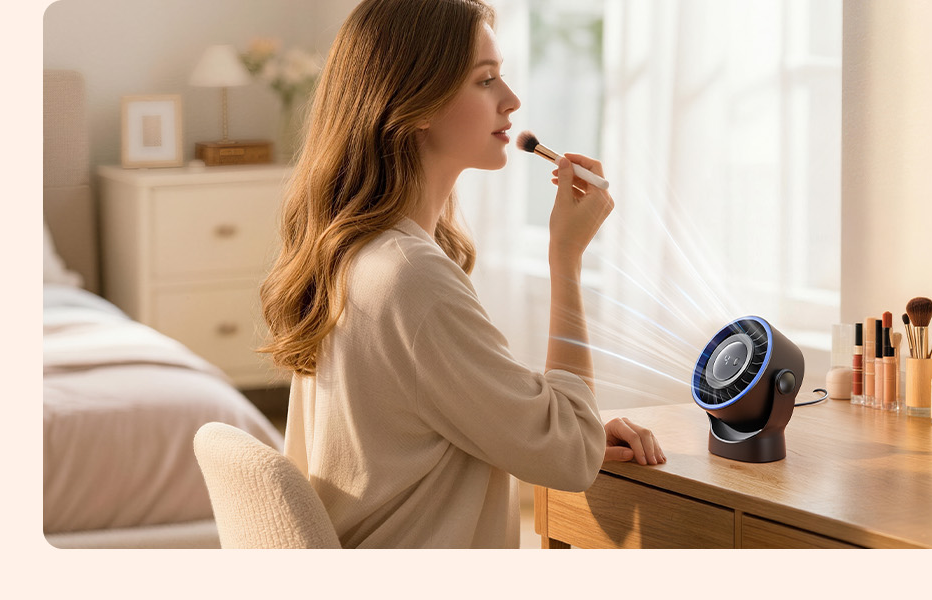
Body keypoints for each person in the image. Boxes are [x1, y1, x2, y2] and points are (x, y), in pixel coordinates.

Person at [258, 0, 663, 548]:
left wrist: (564, 423)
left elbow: (457, 413)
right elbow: (569, 458)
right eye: (486, 80)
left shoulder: (354, 252)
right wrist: (565, 257)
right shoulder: (410, 278)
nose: (511, 99)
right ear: (418, 103)